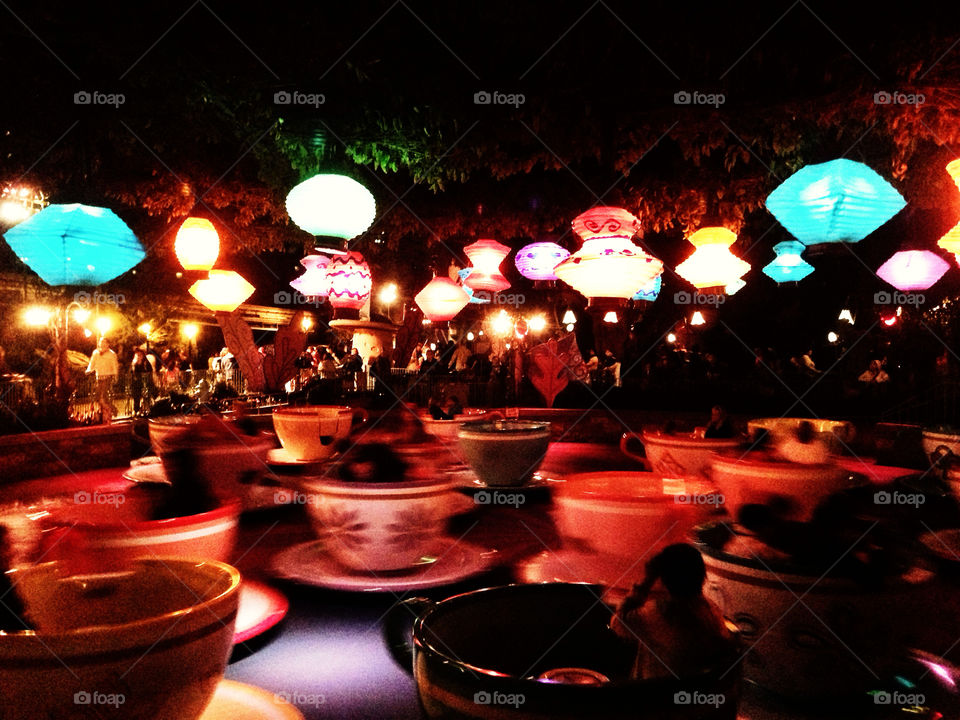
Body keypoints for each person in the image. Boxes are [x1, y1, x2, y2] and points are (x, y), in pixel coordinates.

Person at [610, 544, 735, 680]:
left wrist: (647, 581)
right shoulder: (710, 610)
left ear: (663, 577)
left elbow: (618, 623)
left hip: (660, 696)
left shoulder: (660, 612)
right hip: (698, 694)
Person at [86, 337, 119, 423]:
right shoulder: (96, 353)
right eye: (101, 342)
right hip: (99, 376)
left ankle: (111, 411)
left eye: (104, 342)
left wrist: (115, 375)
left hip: (107, 376)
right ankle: (108, 411)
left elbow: (115, 365)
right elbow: (92, 363)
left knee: (102, 397)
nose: (102, 344)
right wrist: (89, 370)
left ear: (108, 344)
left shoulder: (111, 354)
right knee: (97, 397)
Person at [130, 347, 155, 416]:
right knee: (136, 397)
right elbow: (131, 373)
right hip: (136, 383)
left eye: (140, 355)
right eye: (137, 355)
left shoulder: (146, 363)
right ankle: (136, 410)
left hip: (145, 382)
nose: (138, 356)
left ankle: (146, 409)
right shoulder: (134, 364)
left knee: (146, 396)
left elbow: (149, 371)